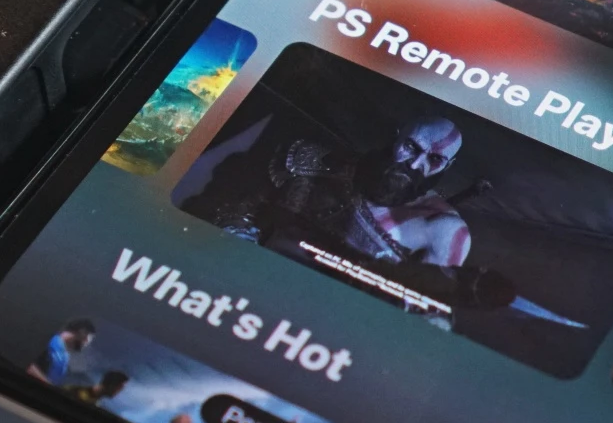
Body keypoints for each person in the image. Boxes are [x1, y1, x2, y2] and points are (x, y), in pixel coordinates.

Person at [196, 115, 513, 318]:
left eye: (434, 159)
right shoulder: (313, 160)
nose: (415, 165)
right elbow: (236, 204)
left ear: (446, 167)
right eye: (411, 147)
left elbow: (418, 313)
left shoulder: (443, 229)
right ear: (397, 136)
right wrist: (239, 261)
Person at [27, 318, 95, 384]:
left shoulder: (65, 355)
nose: (86, 344)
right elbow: (29, 366)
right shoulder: (51, 341)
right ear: (82, 332)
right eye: (87, 340)